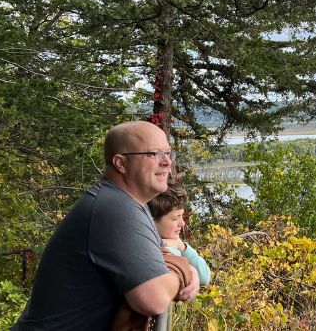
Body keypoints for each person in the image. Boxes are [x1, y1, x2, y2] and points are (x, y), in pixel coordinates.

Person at [14, 121, 199, 330]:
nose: (167, 162)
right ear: (120, 163)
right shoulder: (115, 208)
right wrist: (183, 271)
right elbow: (153, 299)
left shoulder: (129, 203)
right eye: (154, 154)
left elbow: (157, 257)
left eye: (168, 153)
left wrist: (185, 267)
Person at [148, 184, 211, 285]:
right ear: (152, 221)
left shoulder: (175, 242)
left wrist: (182, 246)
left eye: (181, 216)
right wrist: (172, 248)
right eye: (175, 218)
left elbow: (205, 277)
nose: (182, 223)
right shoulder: (149, 248)